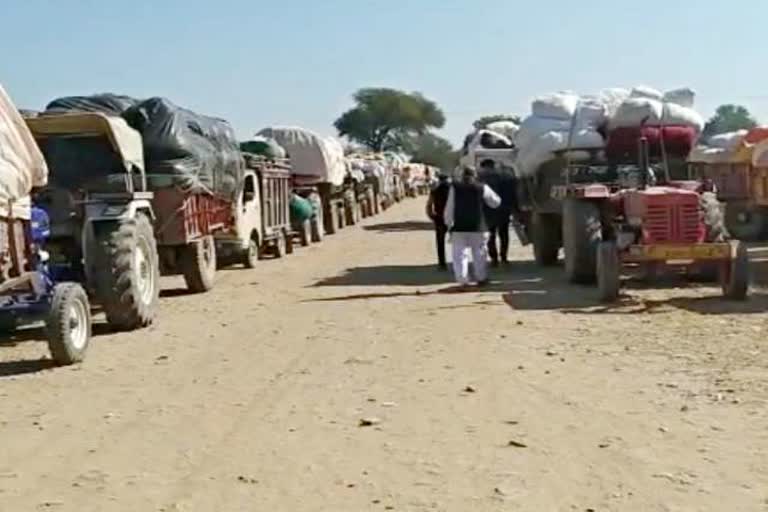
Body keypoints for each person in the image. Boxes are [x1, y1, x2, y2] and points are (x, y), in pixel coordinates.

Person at [443, 167, 501, 287]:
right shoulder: (482, 187)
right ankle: (481, 278)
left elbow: (449, 208)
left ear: (462, 176)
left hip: (459, 227)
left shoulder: (455, 187)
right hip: (478, 226)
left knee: (459, 255)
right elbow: (495, 202)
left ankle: (463, 281)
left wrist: (448, 224)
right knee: (479, 253)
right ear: (475, 175)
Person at [478, 159, 515, 266]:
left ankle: (494, 258)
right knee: (504, 234)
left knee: (491, 235)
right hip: (504, 210)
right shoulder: (505, 176)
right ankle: (504, 257)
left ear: (484, 167)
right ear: (493, 165)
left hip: (488, 210)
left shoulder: (481, 178)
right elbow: (511, 193)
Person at [425, 172, 451, 269]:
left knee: (440, 241)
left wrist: (431, 215)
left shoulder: (435, 189)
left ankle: (442, 263)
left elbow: (429, 204)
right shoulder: (452, 188)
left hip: (439, 217)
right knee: (457, 241)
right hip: (452, 217)